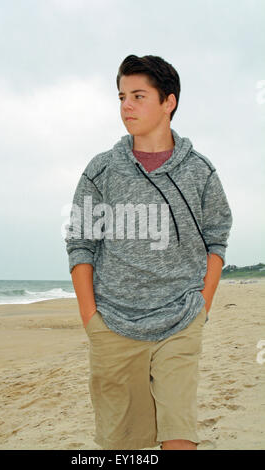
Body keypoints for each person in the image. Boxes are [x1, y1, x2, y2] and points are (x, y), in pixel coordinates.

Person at [65, 54, 233, 450]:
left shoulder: (200, 171)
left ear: (168, 102)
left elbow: (217, 239)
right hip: (115, 326)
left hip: (180, 319)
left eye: (138, 96)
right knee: (123, 446)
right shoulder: (101, 170)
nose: (126, 106)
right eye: (122, 96)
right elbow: (80, 242)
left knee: (179, 437)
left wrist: (202, 305)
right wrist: (92, 319)